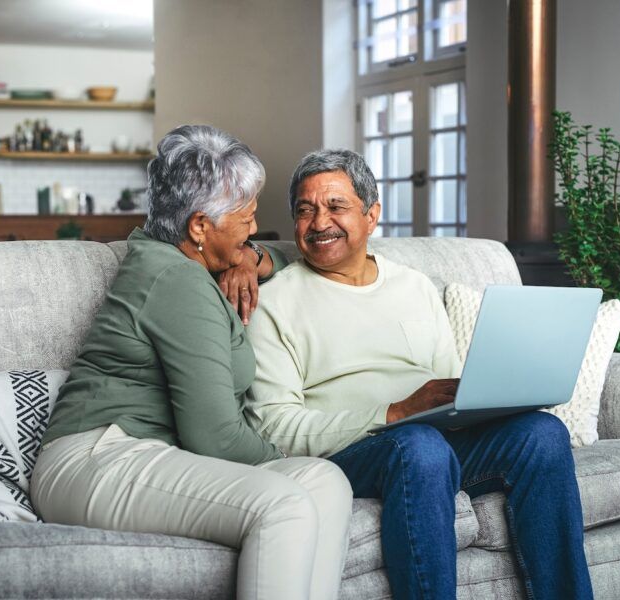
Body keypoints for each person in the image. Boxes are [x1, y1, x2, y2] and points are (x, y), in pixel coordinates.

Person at [245, 149, 594, 600]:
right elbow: (274, 427)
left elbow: (449, 392)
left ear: (372, 216)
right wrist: (394, 412)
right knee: (419, 446)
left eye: (336, 207)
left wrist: (498, 398)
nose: (318, 222)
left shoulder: (414, 287)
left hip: (429, 442)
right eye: (305, 210)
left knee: (542, 432)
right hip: (350, 454)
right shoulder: (273, 303)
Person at [32, 126, 353, 600]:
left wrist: (252, 258)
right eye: (245, 217)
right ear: (200, 226)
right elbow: (214, 436)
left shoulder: (184, 258)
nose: (253, 226)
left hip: (144, 452)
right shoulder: (176, 281)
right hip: (95, 457)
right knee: (284, 503)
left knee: (324, 480)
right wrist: (280, 459)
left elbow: (288, 256)